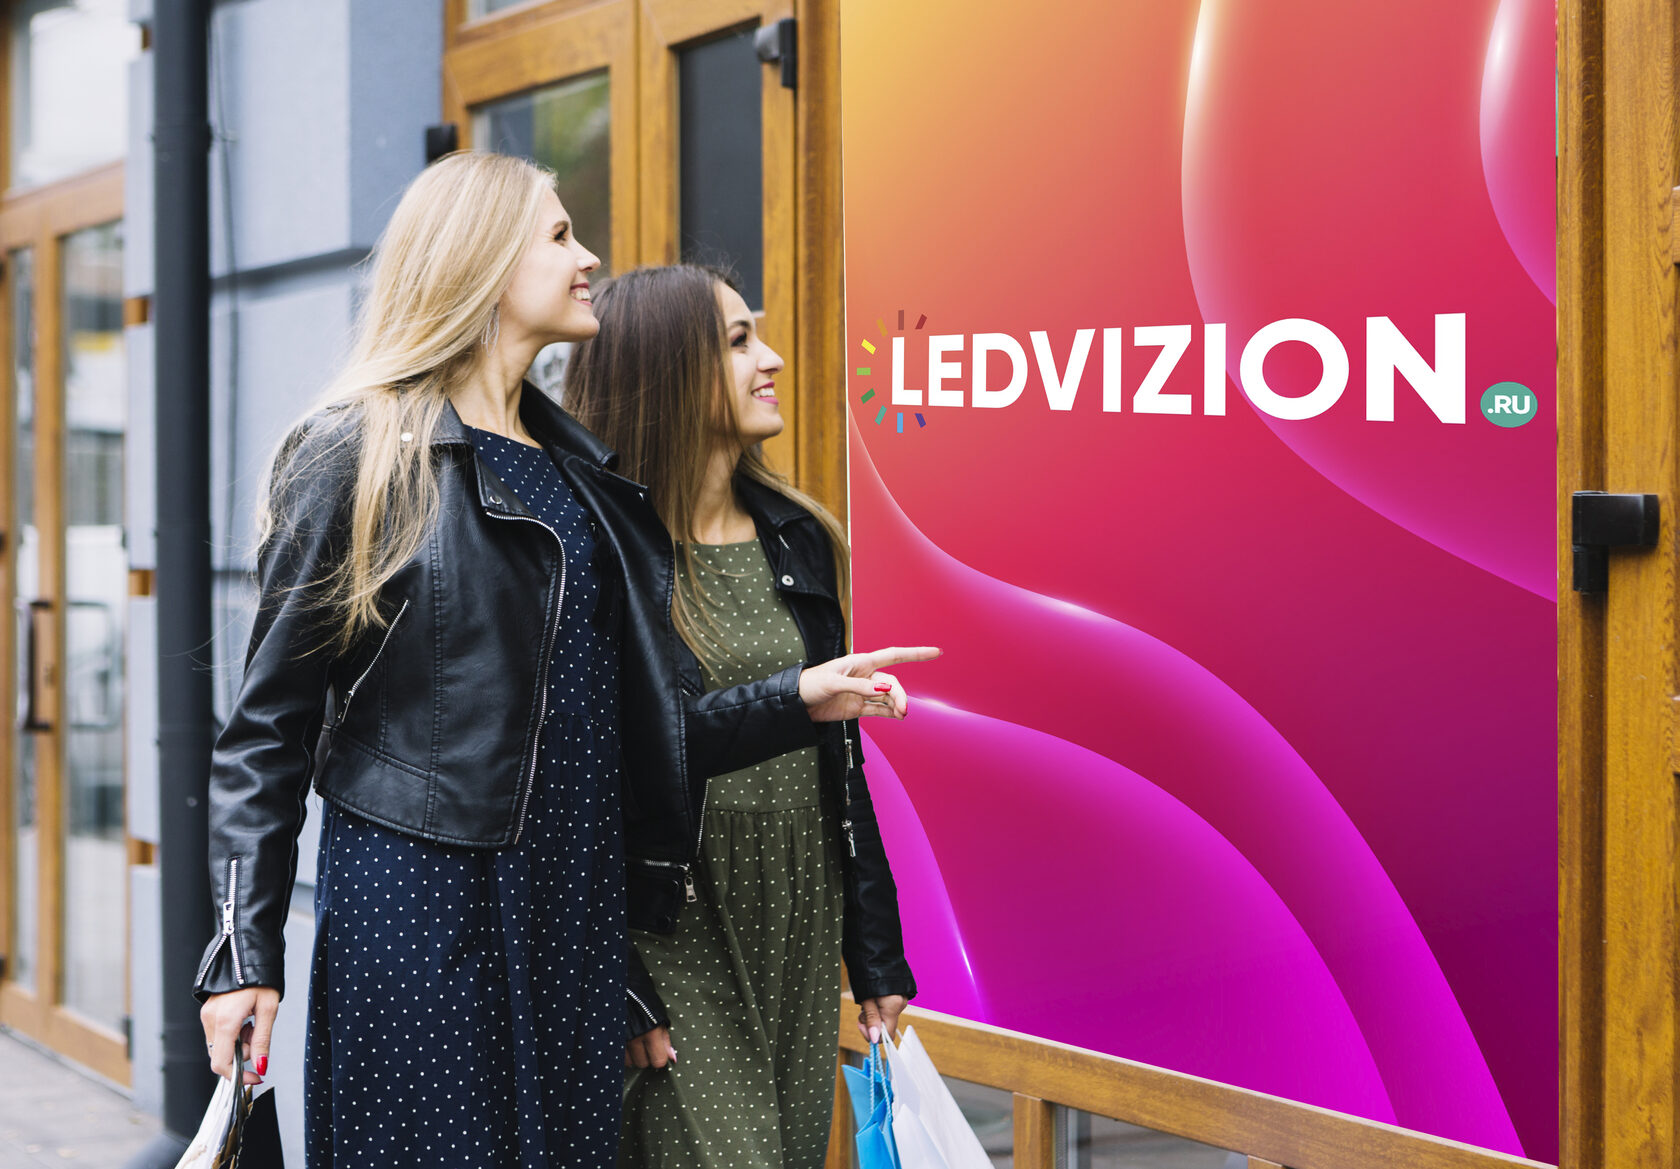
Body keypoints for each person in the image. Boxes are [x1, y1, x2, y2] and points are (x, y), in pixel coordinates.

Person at [193, 153, 927, 1169]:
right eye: (558, 235)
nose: (588, 258)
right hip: (424, 913)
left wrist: (793, 700)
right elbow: (266, 734)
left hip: (571, 924)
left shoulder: (584, 477)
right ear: (484, 261)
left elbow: (623, 727)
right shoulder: (356, 454)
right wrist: (243, 953)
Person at [565, 264, 930, 1169]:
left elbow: (841, 763)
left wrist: (875, 953)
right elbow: (593, 768)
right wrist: (619, 980)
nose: (771, 359)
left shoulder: (796, 533)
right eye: (737, 342)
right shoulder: (598, 552)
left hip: (798, 900)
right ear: (666, 372)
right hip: (676, 917)